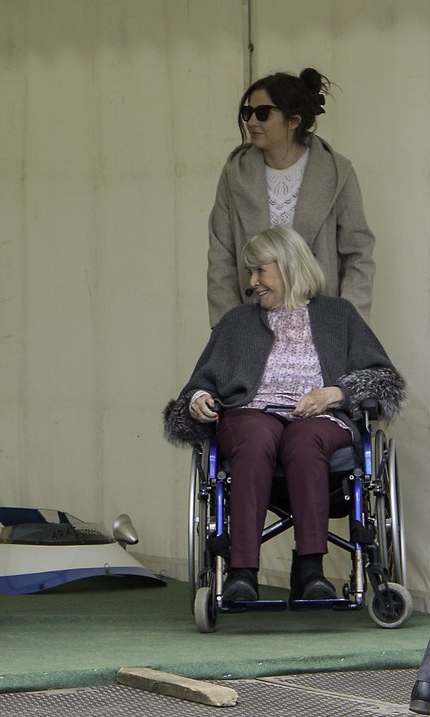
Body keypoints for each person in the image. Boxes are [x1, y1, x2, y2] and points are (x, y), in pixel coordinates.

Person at [164, 226, 402, 603]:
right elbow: (199, 384)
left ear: (290, 266)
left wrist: (334, 393)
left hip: (320, 419)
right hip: (252, 415)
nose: (252, 282)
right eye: (250, 272)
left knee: (306, 439)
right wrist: (197, 399)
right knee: (256, 436)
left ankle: (311, 570)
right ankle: (242, 572)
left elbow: (383, 378)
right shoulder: (237, 322)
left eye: (260, 270)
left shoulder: (338, 315)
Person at [207, 68, 375, 328]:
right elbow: (221, 255)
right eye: (247, 112)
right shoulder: (235, 173)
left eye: (262, 113)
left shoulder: (336, 171)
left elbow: (358, 252)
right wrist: (229, 326)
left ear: (293, 120)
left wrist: (349, 320)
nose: (252, 122)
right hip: (253, 323)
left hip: (322, 322)